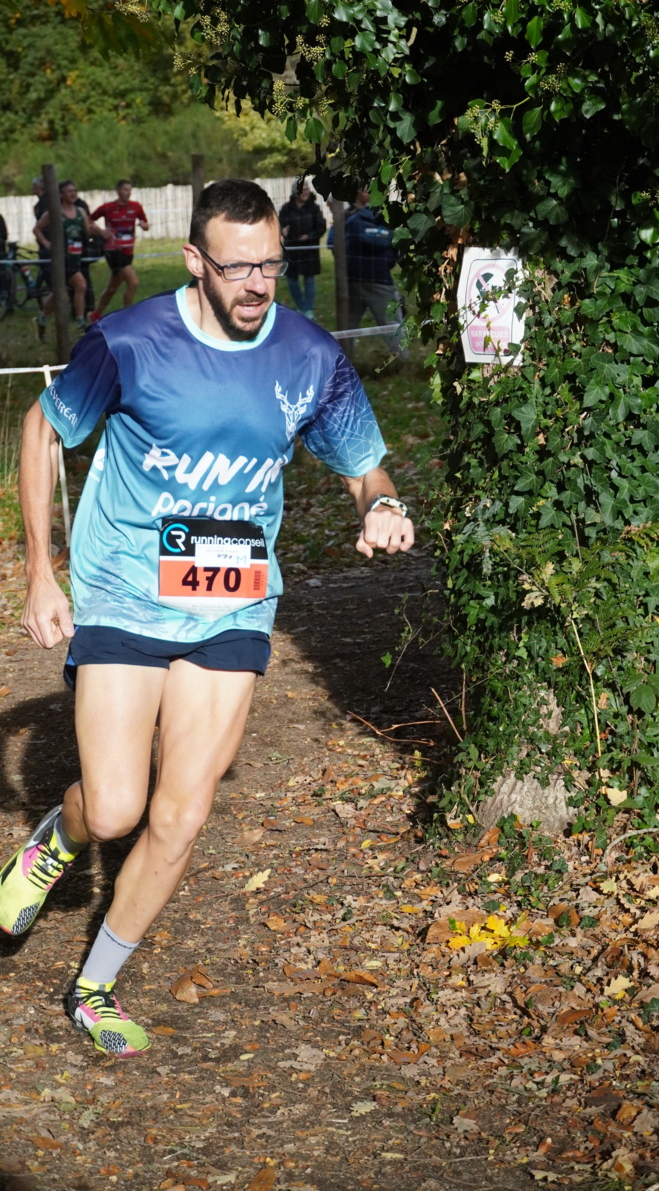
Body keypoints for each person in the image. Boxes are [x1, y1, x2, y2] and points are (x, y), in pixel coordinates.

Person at [1, 178, 414, 1058]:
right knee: (116, 808)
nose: (257, 284)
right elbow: (41, 431)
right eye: (237, 268)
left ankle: (95, 985)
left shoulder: (310, 354)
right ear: (195, 260)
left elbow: (363, 464)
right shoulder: (129, 342)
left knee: (181, 815)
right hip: (126, 588)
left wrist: (379, 503)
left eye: (271, 264)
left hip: (235, 601)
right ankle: (57, 840)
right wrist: (41, 574)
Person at [32, 180, 109, 339]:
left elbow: (87, 232)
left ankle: (42, 319)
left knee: (60, 291)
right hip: (61, 258)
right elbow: (37, 229)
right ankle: (81, 322)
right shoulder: (54, 213)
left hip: (76, 256)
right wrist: (47, 243)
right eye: (69, 191)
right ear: (61, 195)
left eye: (74, 190)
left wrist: (97, 232)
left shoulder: (80, 212)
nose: (73, 194)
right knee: (81, 285)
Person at [345, 188, 406, 359]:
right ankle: (403, 361)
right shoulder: (388, 221)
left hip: (352, 278)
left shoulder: (350, 220)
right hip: (379, 278)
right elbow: (396, 247)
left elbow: (335, 244)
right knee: (392, 323)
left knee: (347, 325)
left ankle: (342, 362)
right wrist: (387, 262)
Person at [88, 180, 149, 321]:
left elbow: (146, 224)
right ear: (118, 191)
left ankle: (95, 314)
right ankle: (127, 317)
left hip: (128, 251)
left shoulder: (136, 207)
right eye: (125, 189)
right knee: (133, 282)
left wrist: (143, 225)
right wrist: (101, 231)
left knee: (113, 287)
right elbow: (89, 219)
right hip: (113, 250)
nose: (128, 193)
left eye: (130, 190)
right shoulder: (108, 207)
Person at [278, 181, 326, 320]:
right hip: (292, 250)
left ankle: (308, 311)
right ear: (295, 192)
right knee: (292, 281)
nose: (306, 192)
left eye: (307, 189)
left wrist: (309, 236)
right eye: (302, 189)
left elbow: (321, 228)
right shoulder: (286, 208)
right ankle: (302, 307)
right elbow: (279, 224)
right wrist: (282, 230)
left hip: (309, 250)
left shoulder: (314, 208)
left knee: (309, 280)